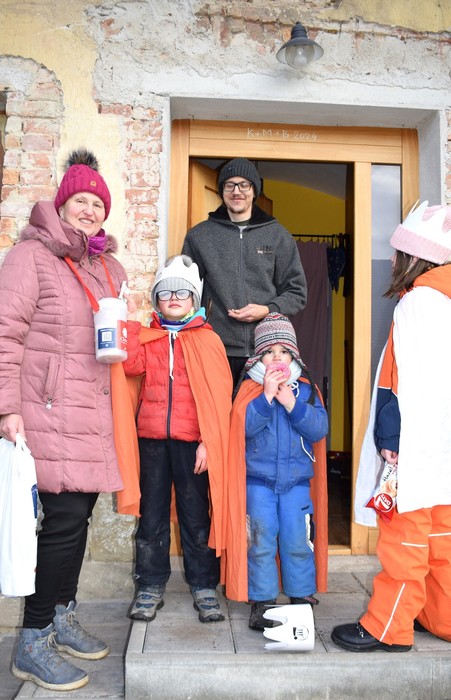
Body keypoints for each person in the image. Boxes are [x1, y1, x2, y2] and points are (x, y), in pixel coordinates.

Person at [0, 149, 129, 691]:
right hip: (45, 411)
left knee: (78, 519)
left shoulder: (107, 267)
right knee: (62, 523)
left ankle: (61, 617)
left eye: (98, 204)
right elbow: (4, 332)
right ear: (62, 205)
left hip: (92, 412)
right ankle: (33, 641)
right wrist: (6, 407)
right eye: (81, 201)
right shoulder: (32, 257)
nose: (90, 211)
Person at [331, 201, 451, 652]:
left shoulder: (418, 303)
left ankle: (388, 627)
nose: (394, 260)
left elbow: (400, 380)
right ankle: (441, 618)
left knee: (404, 537)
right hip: (442, 446)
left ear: (414, 257)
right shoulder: (445, 300)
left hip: (414, 445)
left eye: (398, 252)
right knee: (441, 536)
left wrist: (390, 438)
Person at [123, 254, 233, 624]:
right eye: (166, 292)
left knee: (195, 515)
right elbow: (128, 366)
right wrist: (128, 321)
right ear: (156, 299)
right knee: (151, 516)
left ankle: (203, 585)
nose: (174, 298)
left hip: (191, 443)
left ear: (194, 300)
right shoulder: (148, 337)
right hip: (152, 440)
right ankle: (150, 584)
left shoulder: (208, 340)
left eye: (182, 293)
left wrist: (209, 442)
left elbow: (218, 398)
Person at [223, 313, 328, 630]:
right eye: (269, 352)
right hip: (258, 484)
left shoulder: (306, 390)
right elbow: (242, 429)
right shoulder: (249, 389)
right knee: (260, 541)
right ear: (258, 357)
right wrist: (267, 398)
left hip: (296, 484)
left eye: (283, 351)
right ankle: (262, 600)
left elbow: (319, 429)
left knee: (298, 541)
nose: (277, 357)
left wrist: (293, 405)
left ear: (294, 355)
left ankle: (301, 594)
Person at [182, 158, 307, 387]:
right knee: (217, 411)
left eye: (244, 185)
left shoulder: (278, 236)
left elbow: (297, 292)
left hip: (265, 354)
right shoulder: (199, 237)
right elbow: (186, 293)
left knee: (257, 411)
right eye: (229, 185)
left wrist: (267, 310)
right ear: (221, 191)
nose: (236, 191)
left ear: (254, 190)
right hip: (214, 349)